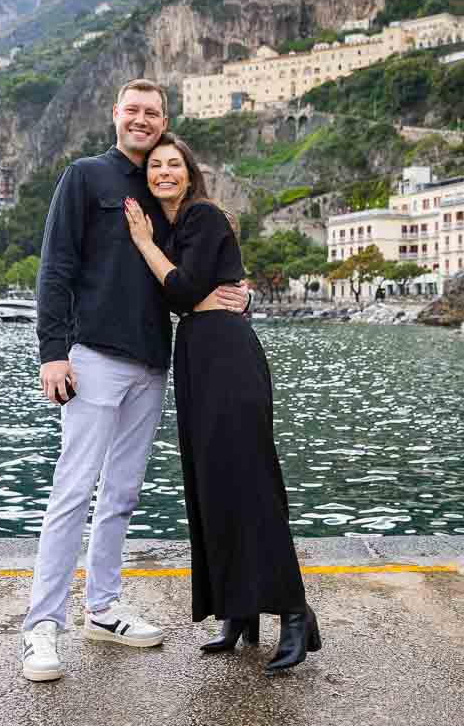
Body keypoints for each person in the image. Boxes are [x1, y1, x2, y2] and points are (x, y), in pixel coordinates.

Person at [21, 80, 248, 683]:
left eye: (153, 113)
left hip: (153, 361)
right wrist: (52, 353)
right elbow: (57, 266)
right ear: (115, 115)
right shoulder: (85, 177)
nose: (142, 120)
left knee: (121, 494)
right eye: (133, 111)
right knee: (73, 491)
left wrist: (235, 289)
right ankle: (42, 627)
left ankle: (102, 607)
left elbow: (189, 273)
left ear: (164, 120)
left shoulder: (166, 192)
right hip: (93, 356)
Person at [123, 133, 321, 675]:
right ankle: (238, 612)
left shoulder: (203, 216)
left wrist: (144, 245)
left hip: (226, 355)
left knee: (250, 483)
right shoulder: (179, 226)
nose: (163, 172)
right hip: (197, 354)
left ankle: (294, 613)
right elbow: (187, 291)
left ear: (190, 173)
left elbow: (184, 288)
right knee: (210, 485)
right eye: (155, 166)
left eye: (174, 165)